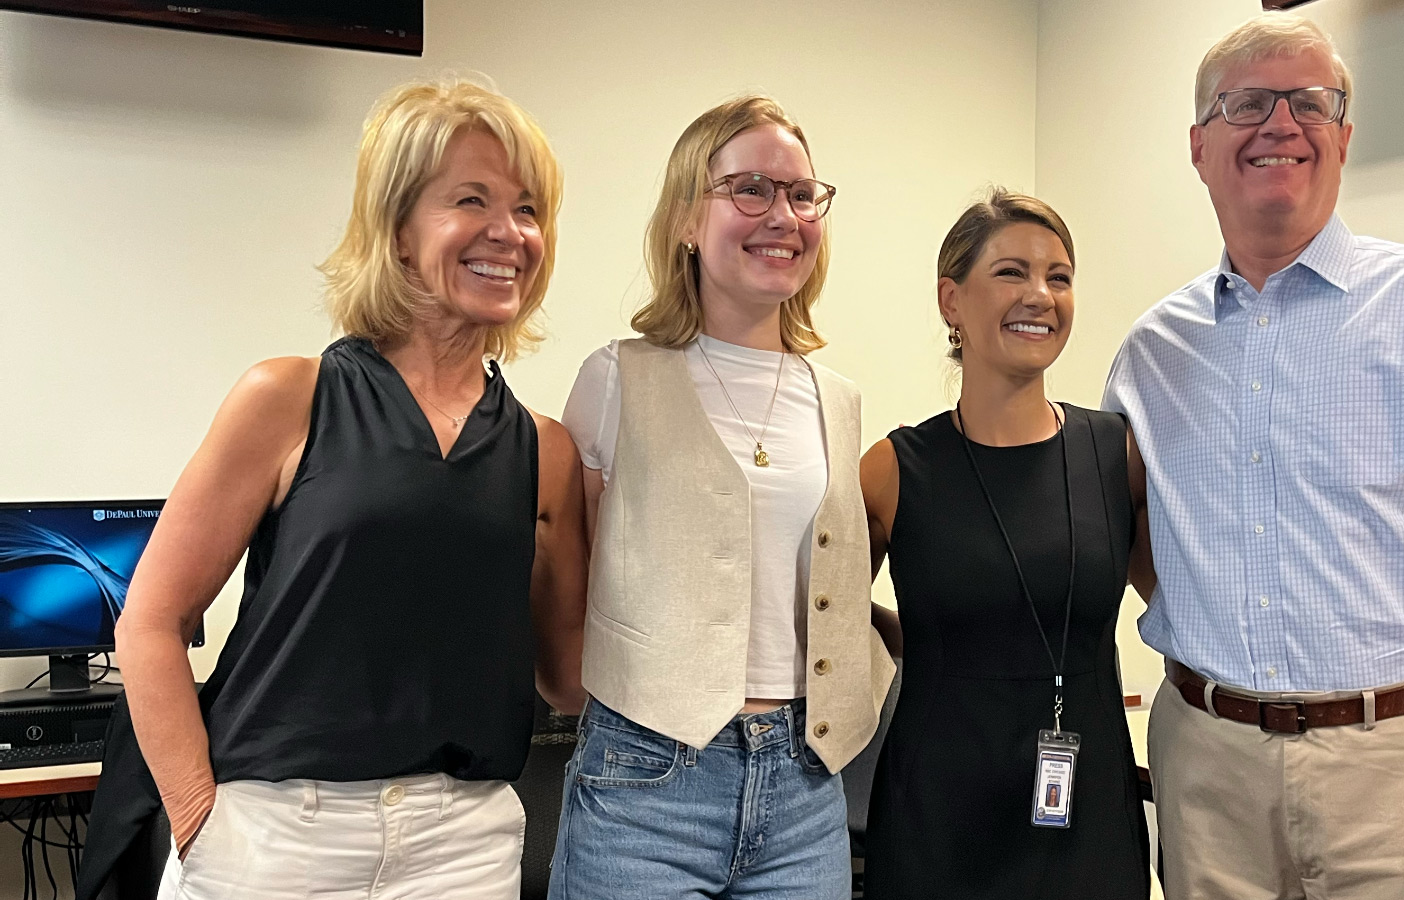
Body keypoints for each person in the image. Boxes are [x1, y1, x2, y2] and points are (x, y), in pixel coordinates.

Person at [1101, 13, 1404, 900]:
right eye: (1247, 102)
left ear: (1344, 135)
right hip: (1206, 770)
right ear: (1199, 145)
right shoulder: (1152, 353)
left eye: (1310, 102)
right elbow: (1138, 539)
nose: (1280, 124)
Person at [79, 75, 588, 900]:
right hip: (275, 835)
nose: (510, 233)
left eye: (529, 209)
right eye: (472, 200)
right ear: (396, 232)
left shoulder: (547, 449)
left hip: (463, 845)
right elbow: (150, 621)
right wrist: (198, 819)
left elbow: (567, 679)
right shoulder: (289, 397)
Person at [549, 95, 894, 900]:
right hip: (646, 779)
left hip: (805, 783)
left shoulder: (835, 398)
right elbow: (574, 574)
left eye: (802, 194)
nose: (783, 215)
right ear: (684, 219)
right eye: (750, 189)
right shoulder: (615, 378)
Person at [860, 189, 1153, 899]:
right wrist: (912, 631)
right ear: (951, 301)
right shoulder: (894, 469)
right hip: (938, 815)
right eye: (1011, 272)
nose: (1040, 295)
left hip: (1087, 810)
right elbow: (823, 616)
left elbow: (1180, 607)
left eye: (1059, 276)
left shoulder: (1115, 452)